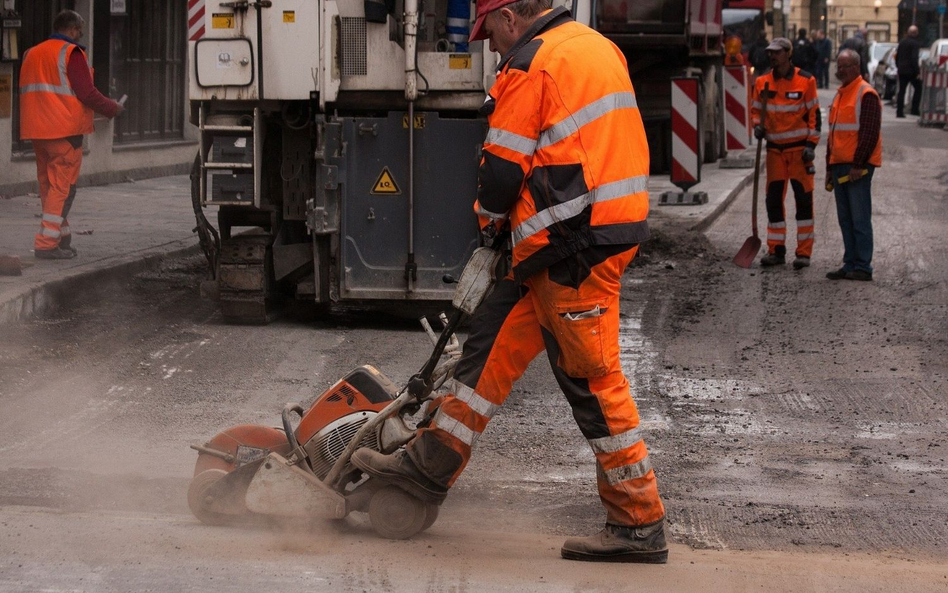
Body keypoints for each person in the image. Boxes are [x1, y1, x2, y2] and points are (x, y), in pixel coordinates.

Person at [351, 0, 667, 563]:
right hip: (573, 238)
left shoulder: (528, 64)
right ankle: (427, 468)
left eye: (489, 30)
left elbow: (501, 171)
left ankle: (638, 524)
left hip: (574, 248)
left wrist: (489, 229)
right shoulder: (596, 47)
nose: (488, 43)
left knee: (592, 382)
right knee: (486, 350)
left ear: (510, 18)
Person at [18, 10, 123, 260]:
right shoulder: (71, 53)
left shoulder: (32, 53)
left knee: (49, 187)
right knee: (62, 189)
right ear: (73, 29)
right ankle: (46, 244)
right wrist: (112, 108)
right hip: (64, 132)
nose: (81, 35)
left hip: (37, 130)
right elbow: (87, 93)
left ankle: (60, 236)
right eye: (80, 30)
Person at [750, 37, 821, 270]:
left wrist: (811, 145)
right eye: (770, 52)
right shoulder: (762, 82)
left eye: (778, 52)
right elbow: (755, 111)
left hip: (799, 152)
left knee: (803, 202)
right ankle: (776, 250)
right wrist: (756, 126)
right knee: (773, 201)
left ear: (788, 54)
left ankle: (803, 253)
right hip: (774, 152)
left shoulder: (806, 80)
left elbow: (815, 116)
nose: (773, 56)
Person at [825, 49, 881, 282]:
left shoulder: (865, 93)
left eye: (845, 66)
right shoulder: (840, 95)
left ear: (856, 67)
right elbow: (834, 134)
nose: (840, 70)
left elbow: (868, 133)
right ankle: (850, 264)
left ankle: (863, 266)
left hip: (857, 167)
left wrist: (858, 164)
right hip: (839, 165)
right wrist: (829, 167)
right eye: (838, 66)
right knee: (846, 219)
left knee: (859, 218)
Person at [895, 25, 922, 118]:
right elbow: (914, 58)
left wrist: (898, 66)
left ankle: (899, 111)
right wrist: (917, 72)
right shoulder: (915, 43)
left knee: (901, 91)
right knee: (918, 88)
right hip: (911, 71)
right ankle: (914, 109)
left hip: (902, 70)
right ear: (915, 33)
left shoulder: (902, 42)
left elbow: (897, 56)